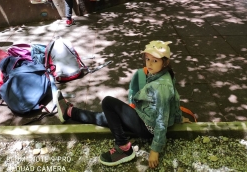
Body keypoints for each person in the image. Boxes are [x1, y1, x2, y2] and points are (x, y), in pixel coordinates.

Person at [54, 40, 191, 168]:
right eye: (148, 59)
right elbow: (174, 100)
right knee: (106, 118)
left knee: (108, 102)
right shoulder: (165, 74)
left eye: (155, 61)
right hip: (144, 116)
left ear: (165, 62)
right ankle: (69, 112)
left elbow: (161, 120)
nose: (149, 64)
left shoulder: (161, 87)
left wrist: (155, 150)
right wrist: (178, 118)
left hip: (147, 126)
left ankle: (124, 148)